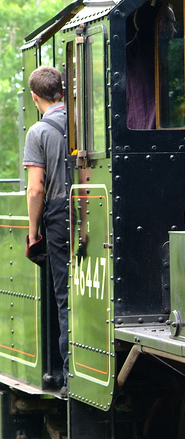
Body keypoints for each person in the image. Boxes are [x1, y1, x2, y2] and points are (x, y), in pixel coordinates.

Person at [23, 66, 70, 397]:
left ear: (35, 97)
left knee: (64, 297)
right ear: (63, 92)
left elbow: (35, 189)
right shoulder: (85, 121)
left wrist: (33, 230)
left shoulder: (38, 132)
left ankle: (70, 376)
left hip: (58, 217)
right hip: (88, 208)